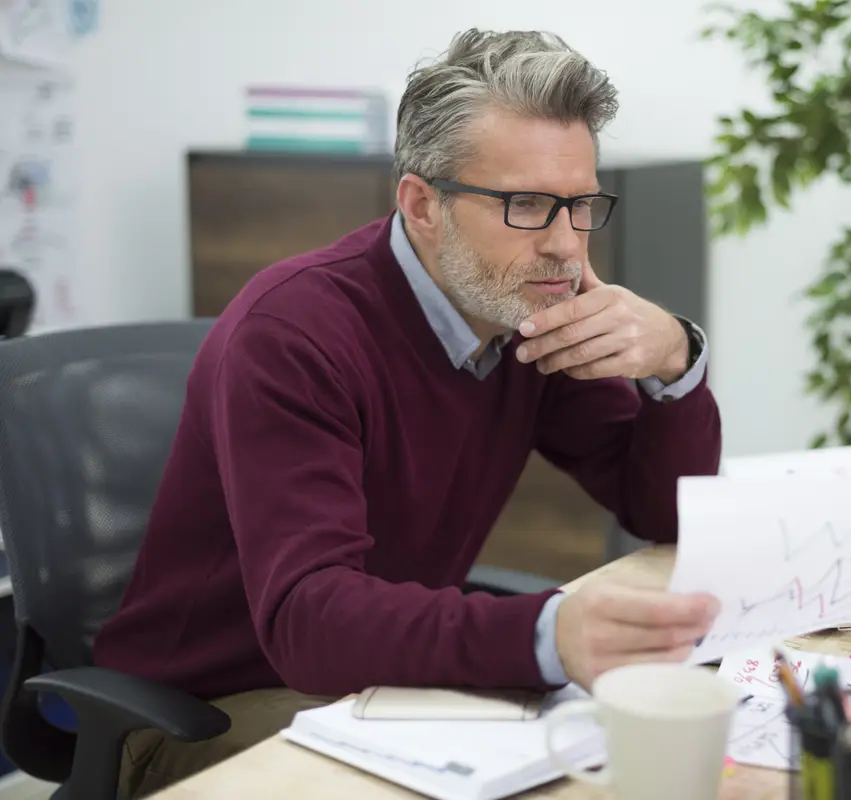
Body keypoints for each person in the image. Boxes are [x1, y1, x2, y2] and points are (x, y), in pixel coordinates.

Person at [95, 27, 723, 798]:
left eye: (580, 204)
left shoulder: (525, 310)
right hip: (207, 710)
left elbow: (658, 506)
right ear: (422, 205)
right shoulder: (294, 335)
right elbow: (307, 618)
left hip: (375, 682)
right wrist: (545, 633)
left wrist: (675, 360)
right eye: (527, 204)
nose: (565, 245)